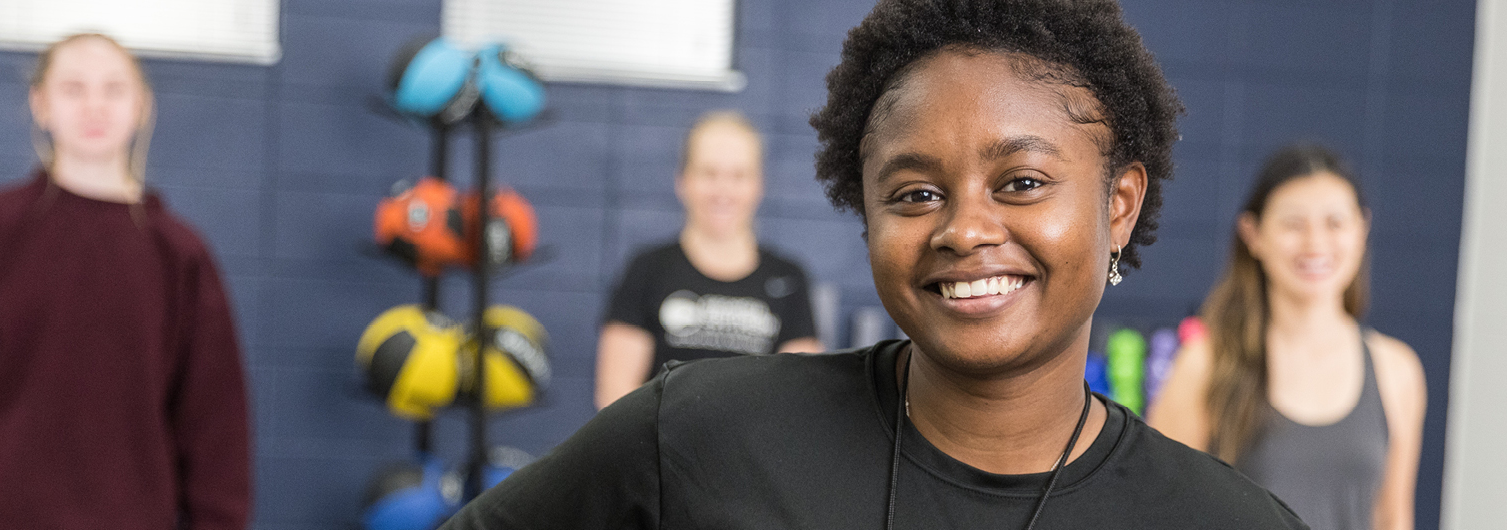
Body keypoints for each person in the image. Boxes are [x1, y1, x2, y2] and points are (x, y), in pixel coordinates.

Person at [444, 0, 1305, 527]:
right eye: (916, 194)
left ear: (1117, 205)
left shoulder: (1223, 522)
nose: (965, 229)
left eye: (1023, 182)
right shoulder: (704, 433)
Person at [0, 34, 251, 530]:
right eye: (74, 88)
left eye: (114, 89)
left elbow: (215, 422)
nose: (94, 106)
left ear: (141, 106)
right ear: (41, 104)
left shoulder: (181, 254)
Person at [1148, 144, 1427, 530]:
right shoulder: (1206, 362)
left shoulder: (1397, 369)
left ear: (1362, 229)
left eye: (1335, 222)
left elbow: (1393, 519)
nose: (1315, 244)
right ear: (1253, 234)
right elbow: (1156, 509)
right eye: (1294, 224)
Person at [594, 111, 822, 409]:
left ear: (758, 185)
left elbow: (801, 400)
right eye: (709, 173)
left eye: (738, 175)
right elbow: (613, 397)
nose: (723, 191)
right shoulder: (647, 270)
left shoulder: (789, 278)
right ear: (682, 180)